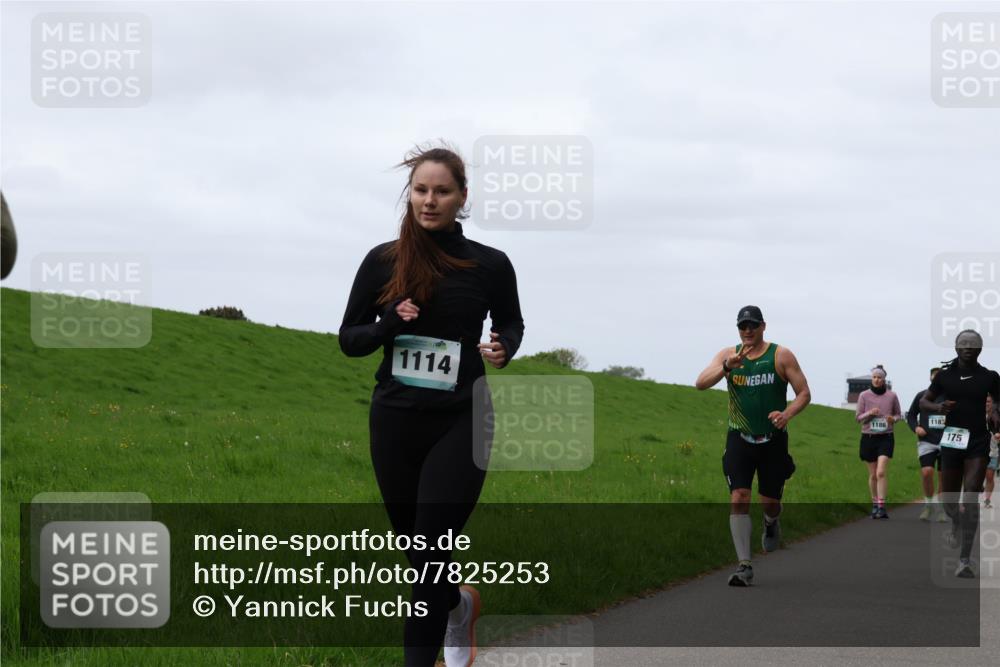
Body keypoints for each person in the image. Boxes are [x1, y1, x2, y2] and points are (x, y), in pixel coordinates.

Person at [339, 145, 525, 666]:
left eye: (442, 191)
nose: (430, 200)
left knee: (427, 552)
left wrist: (504, 346)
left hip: (462, 420)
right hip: (395, 421)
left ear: (462, 197)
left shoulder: (490, 264)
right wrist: (388, 326)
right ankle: (458, 606)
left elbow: (511, 321)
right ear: (410, 194)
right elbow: (350, 339)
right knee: (420, 554)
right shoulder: (383, 261)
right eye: (421, 190)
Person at [696, 305, 811, 587]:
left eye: (753, 326)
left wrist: (787, 415)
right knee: (739, 496)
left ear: (763, 326)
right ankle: (744, 565)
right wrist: (726, 368)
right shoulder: (728, 355)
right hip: (739, 437)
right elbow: (700, 383)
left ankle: (771, 523)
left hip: (772, 439)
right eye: (742, 326)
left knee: (769, 502)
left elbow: (804, 393)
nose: (747, 331)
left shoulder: (781, 355)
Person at [919, 329, 1000, 578]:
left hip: (977, 440)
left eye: (973, 344)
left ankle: (964, 559)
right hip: (953, 440)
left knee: (971, 494)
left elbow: (998, 400)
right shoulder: (945, 376)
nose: (967, 347)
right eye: (963, 344)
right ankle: (954, 522)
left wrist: (996, 411)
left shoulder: (990, 377)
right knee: (951, 502)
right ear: (955, 348)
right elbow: (924, 401)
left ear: (980, 349)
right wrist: (938, 406)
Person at [856, 365, 902, 519]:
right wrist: (870, 413)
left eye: (879, 377)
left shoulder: (892, 396)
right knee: (873, 475)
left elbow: (898, 415)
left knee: (881, 471)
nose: (876, 379)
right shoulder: (864, 395)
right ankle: (875, 504)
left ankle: (882, 506)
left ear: (884, 380)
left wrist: (892, 419)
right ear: (872, 378)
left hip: (886, 437)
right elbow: (858, 418)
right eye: (874, 377)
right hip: (868, 437)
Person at [906, 368, 948, 521]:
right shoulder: (921, 396)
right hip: (927, 441)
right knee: (927, 472)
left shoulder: (952, 397)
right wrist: (916, 427)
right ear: (930, 379)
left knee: (943, 477)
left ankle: (942, 509)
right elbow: (910, 415)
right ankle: (928, 505)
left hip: (947, 441)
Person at [985, 395, 999, 508]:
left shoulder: (997, 416)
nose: (986, 403)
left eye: (989, 401)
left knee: (989, 476)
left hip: (992, 450)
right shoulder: (974, 415)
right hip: (976, 451)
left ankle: (987, 500)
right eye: (984, 401)